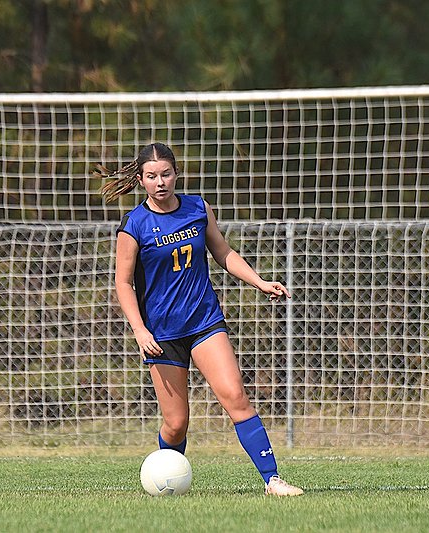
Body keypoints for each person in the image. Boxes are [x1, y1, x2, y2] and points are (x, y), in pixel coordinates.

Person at [96, 142, 303, 496]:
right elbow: (123, 282)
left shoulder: (197, 208)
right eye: (151, 176)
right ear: (141, 180)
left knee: (235, 396)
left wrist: (259, 281)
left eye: (166, 174)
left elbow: (223, 252)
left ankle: (273, 480)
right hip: (161, 333)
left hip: (204, 321)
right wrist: (140, 330)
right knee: (176, 424)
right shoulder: (134, 224)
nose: (160, 182)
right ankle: (167, 478)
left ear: (176, 174)